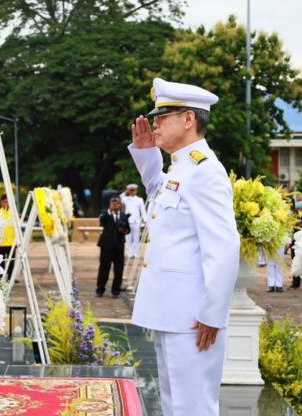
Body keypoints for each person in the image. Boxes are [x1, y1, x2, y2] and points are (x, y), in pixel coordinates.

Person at [129, 78, 240, 416]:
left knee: (193, 407)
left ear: (189, 119)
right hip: (172, 312)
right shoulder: (183, 168)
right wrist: (147, 154)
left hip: (193, 317)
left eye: (163, 117)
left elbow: (224, 247)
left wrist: (212, 315)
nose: (156, 124)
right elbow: (157, 191)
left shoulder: (205, 171)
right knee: (174, 403)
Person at [96, 196, 130, 298]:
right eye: (113, 203)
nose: (115, 205)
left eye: (117, 203)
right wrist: (109, 211)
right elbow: (101, 221)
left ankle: (116, 291)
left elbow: (128, 229)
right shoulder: (105, 214)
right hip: (106, 246)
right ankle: (100, 289)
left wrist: (124, 231)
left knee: (119, 269)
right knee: (104, 268)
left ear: (120, 204)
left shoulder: (123, 216)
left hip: (119, 246)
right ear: (110, 204)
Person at [120, 184, 147, 258]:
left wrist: (145, 219)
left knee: (136, 238)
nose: (132, 192)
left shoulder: (139, 199)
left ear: (136, 191)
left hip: (136, 221)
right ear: (129, 191)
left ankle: (135, 252)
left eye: (133, 190)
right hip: (128, 221)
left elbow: (143, 210)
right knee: (128, 237)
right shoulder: (125, 199)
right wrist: (126, 192)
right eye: (130, 190)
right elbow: (120, 198)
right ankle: (129, 252)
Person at [0, 194, 16, 280]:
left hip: (11, 241)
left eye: (8, 202)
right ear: (1, 202)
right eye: (4, 202)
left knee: (11, 260)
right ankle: (1, 276)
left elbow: (17, 226)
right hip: (1, 242)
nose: (6, 204)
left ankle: (11, 277)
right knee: (1, 260)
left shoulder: (13, 213)